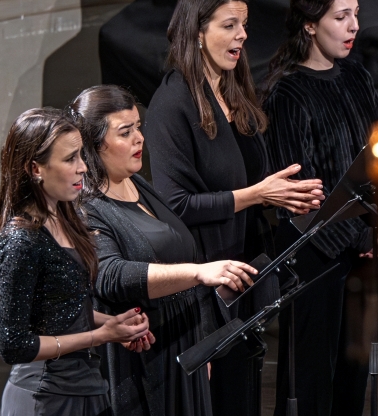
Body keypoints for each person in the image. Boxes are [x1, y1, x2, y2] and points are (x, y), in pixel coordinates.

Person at [146, 0, 323, 416]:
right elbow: (178, 205)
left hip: (246, 271)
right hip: (204, 281)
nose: (242, 35)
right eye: (230, 25)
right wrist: (256, 194)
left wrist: (278, 195)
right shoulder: (171, 105)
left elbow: (248, 179)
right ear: (197, 31)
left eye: (243, 24)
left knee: (244, 391)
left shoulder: (231, 88)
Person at [72, 84, 258, 416]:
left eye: (138, 127)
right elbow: (111, 275)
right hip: (143, 357)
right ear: (93, 144)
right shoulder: (87, 208)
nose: (139, 138)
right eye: (125, 132)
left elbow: (183, 253)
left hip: (181, 343)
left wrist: (201, 345)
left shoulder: (136, 183)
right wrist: (198, 273)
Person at [263, 0, 378, 416]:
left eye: (356, 16)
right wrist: (354, 236)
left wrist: (376, 229)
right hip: (316, 256)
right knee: (314, 374)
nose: (354, 27)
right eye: (341, 17)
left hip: (361, 247)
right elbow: (303, 189)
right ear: (310, 24)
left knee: (353, 370)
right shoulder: (287, 92)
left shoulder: (356, 76)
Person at [0, 108, 152, 416]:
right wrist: (101, 336)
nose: (83, 169)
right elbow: (13, 344)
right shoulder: (23, 241)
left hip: (87, 387)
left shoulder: (66, 217)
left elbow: (61, 308)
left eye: (81, 157)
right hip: (45, 397)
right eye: (70, 159)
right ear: (35, 168)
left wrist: (114, 323)